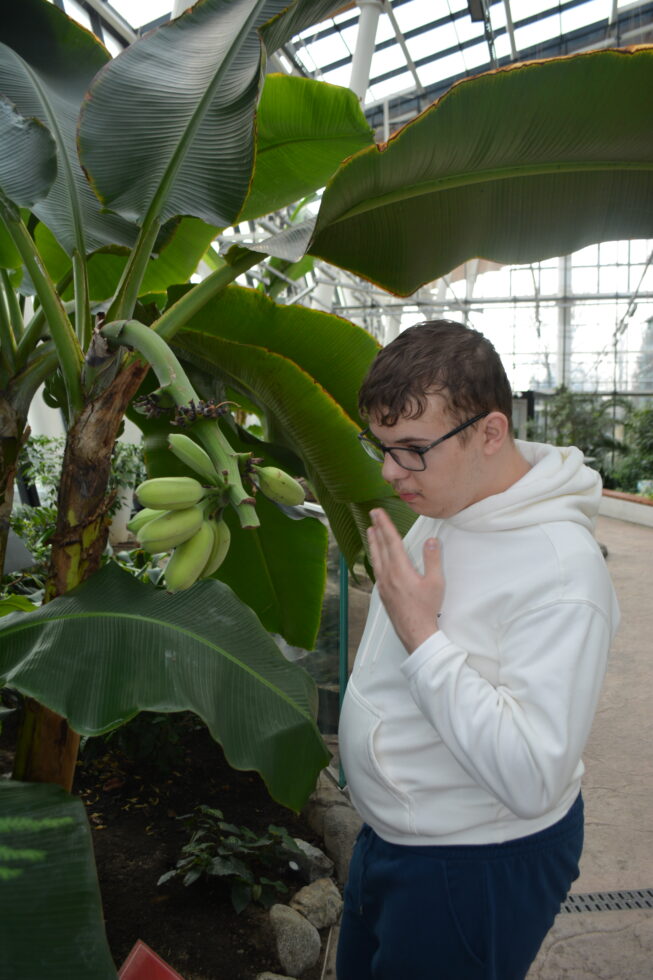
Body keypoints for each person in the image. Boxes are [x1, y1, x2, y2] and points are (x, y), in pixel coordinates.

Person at [336, 320, 620, 980]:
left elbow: (531, 774)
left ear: (489, 433)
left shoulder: (562, 573)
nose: (387, 470)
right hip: (396, 840)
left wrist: (420, 634)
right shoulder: (452, 499)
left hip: (474, 864)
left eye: (409, 448)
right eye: (378, 446)